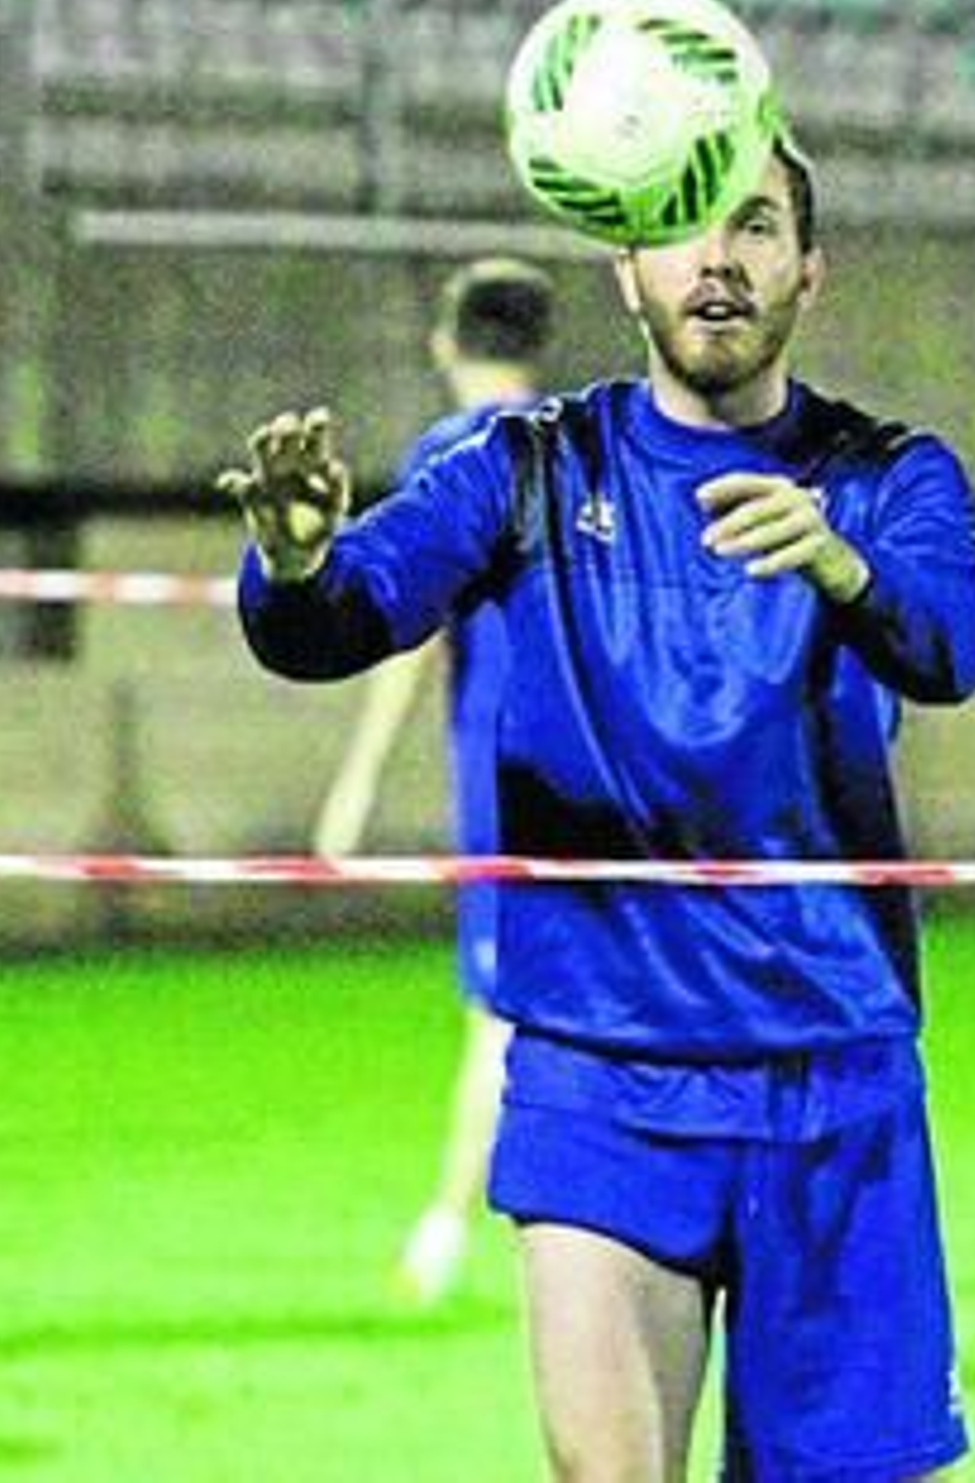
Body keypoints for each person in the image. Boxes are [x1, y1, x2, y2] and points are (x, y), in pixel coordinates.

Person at [220, 130, 975, 1482]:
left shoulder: (891, 475)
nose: (720, 261)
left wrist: (843, 567)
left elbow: (952, 648)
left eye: (756, 228)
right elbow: (346, 617)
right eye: (687, 231)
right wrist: (293, 570)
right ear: (628, 267)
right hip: (602, 1071)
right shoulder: (520, 467)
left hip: (835, 1072)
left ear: (810, 272)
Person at [312, 257, 552, 1306]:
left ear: (445, 342)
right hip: (617, 777)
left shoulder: (453, 456)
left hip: (505, 781)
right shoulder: (591, 446)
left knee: (501, 1019)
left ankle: (449, 1226)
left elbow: (409, 633)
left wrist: (354, 784)